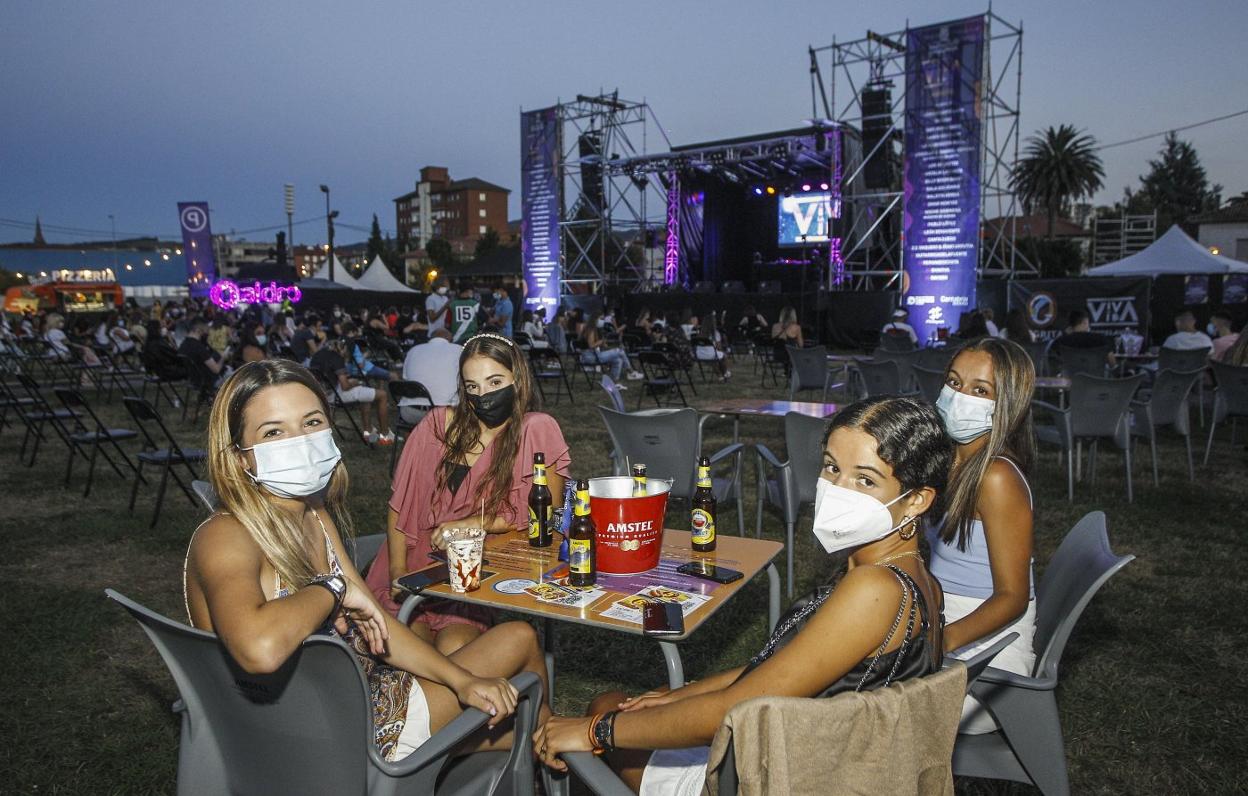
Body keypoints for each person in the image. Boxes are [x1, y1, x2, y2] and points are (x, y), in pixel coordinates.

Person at [534, 396, 953, 793]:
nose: (838, 489)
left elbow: (734, 708)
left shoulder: (873, 589)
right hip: (819, 752)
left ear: (916, 500)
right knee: (624, 705)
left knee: (603, 708)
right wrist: (681, 694)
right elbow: (787, 668)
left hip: (783, 775)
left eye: (865, 479)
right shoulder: (917, 578)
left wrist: (596, 731)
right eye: (831, 468)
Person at [182, 360, 550, 763]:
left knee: (520, 643)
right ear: (240, 457)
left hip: (351, 700)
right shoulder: (226, 534)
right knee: (530, 727)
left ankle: (546, 747)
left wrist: (461, 681)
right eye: (274, 431)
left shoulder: (313, 516)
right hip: (323, 741)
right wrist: (334, 588)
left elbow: (377, 621)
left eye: (311, 422)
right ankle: (550, 753)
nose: (299, 441)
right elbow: (261, 649)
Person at [366, 333, 571, 653]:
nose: (484, 395)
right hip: (412, 561)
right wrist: (398, 572)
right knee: (411, 649)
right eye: (472, 386)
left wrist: (475, 522)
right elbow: (399, 508)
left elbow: (547, 515)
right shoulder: (435, 425)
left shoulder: (534, 429)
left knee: (454, 650)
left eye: (494, 382)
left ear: (517, 378)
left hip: (467, 570)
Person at [928, 338, 1036, 733]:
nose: (960, 398)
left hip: (987, 657)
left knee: (855, 703)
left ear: (1006, 403)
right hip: (949, 622)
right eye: (954, 383)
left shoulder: (996, 477)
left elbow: (1012, 598)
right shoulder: (949, 458)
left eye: (980, 390)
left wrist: (937, 643)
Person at [309, 334, 394, 445]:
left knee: (365, 393)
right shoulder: (337, 358)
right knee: (382, 394)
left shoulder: (318, 354)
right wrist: (355, 383)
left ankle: (368, 433)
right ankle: (386, 436)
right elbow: (345, 386)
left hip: (320, 394)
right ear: (345, 350)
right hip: (335, 395)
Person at [399, 328, 462, 425]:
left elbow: (405, 379)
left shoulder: (413, 350)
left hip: (410, 412)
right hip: (443, 415)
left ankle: (414, 437)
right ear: (449, 339)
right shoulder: (459, 350)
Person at [581, 316, 643, 383]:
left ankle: (614, 382)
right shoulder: (591, 330)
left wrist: (602, 344)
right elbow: (591, 345)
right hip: (592, 357)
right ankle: (631, 372)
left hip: (591, 356)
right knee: (620, 351)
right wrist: (601, 342)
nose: (602, 321)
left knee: (618, 360)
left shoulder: (589, 329)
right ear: (595, 320)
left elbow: (595, 345)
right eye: (600, 319)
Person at [177, 318, 224, 387]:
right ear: (198, 330)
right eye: (206, 327)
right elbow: (216, 370)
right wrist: (223, 357)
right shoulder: (198, 347)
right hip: (208, 381)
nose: (208, 329)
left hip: (194, 379)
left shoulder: (183, 344)